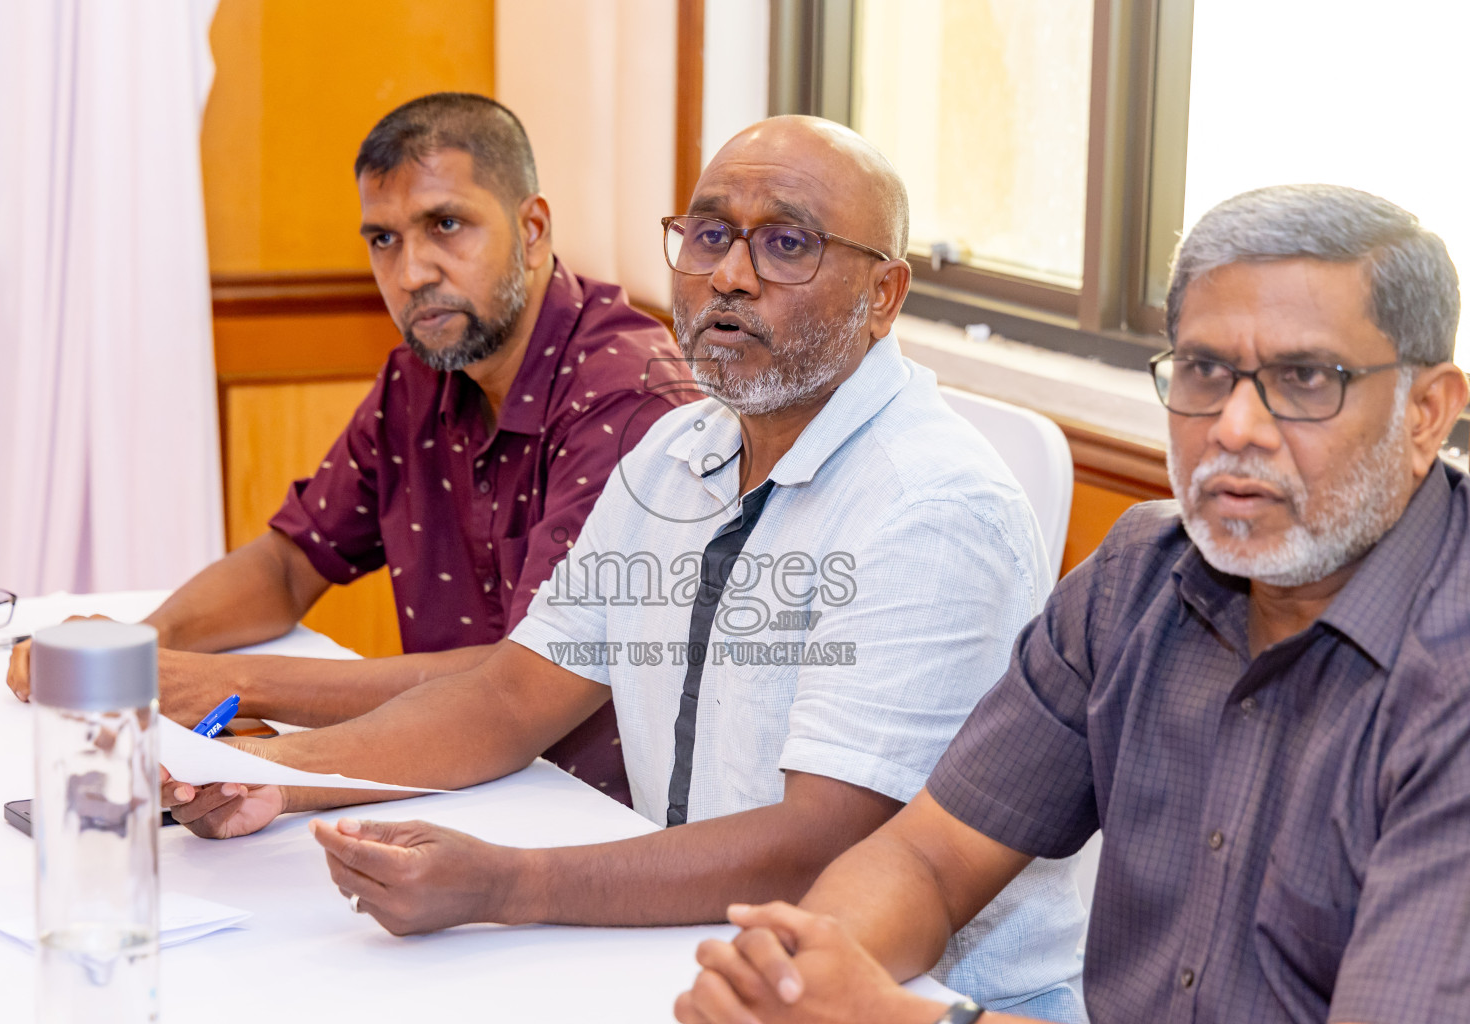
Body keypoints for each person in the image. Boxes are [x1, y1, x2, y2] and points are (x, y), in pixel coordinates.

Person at [160, 115, 1087, 1021]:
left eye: (787, 243)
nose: (730, 275)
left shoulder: (931, 507)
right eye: (711, 233)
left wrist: (510, 882)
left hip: (920, 998)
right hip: (697, 940)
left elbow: (822, 844)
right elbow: (512, 696)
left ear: (884, 295)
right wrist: (275, 779)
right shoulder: (678, 453)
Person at [674, 183, 1470, 1024]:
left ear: (1428, 414)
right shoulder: (1140, 575)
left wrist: (894, 1018)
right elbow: (932, 857)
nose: (1236, 426)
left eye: (1306, 378)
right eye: (1204, 371)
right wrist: (795, 979)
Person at [6, 93, 693, 804]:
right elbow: (287, 563)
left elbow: (519, 680)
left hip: (598, 817)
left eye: (446, 225)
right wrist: (141, 649)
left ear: (533, 230)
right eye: (384, 240)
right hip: (448, 779)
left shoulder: (628, 395)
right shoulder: (421, 377)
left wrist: (230, 690)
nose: (411, 273)